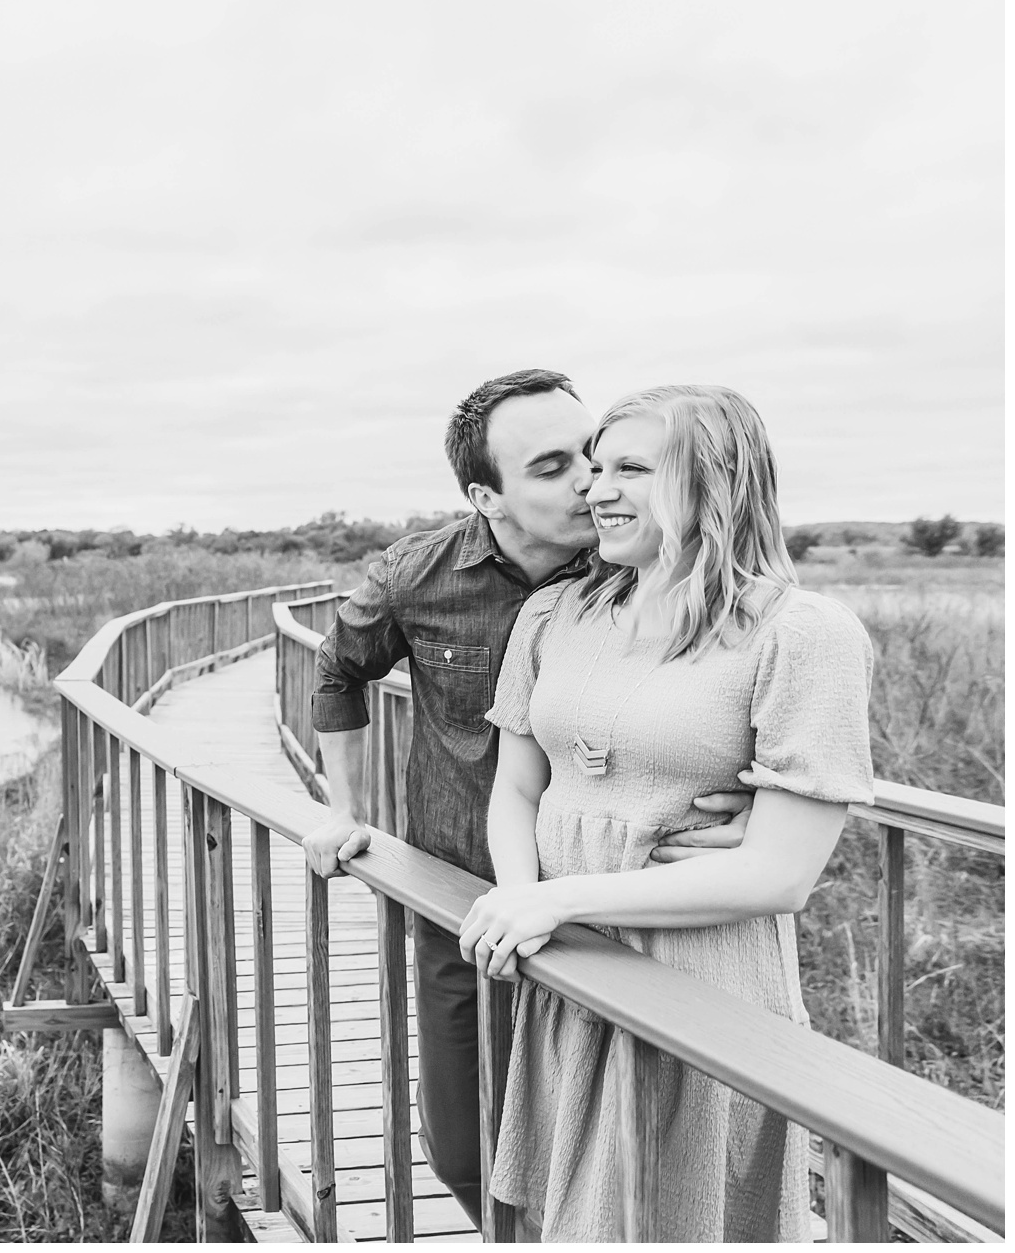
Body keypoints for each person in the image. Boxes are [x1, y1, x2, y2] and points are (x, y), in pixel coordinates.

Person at [301, 369, 753, 1228]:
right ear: (486, 495)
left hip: (616, 906)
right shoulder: (419, 574)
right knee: (465, 1147)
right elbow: (337, 669)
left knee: (618, 1149)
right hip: (465, 891)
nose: (591, 480)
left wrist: (758, 809)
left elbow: (729, 698)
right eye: (552, 466)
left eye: (593, 453)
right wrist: (341, 805)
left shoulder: (638, 560)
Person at [458, 384, 874, 1241]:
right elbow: (518, 785)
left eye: (631, 469)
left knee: (681, 1217)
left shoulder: (802, 633)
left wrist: (558, 899)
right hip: (566, 967)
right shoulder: (555, 612)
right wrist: (520, 898)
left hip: (700, 975)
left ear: (714, 481)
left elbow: (781, 873)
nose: (595, 489)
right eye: (595, 467)